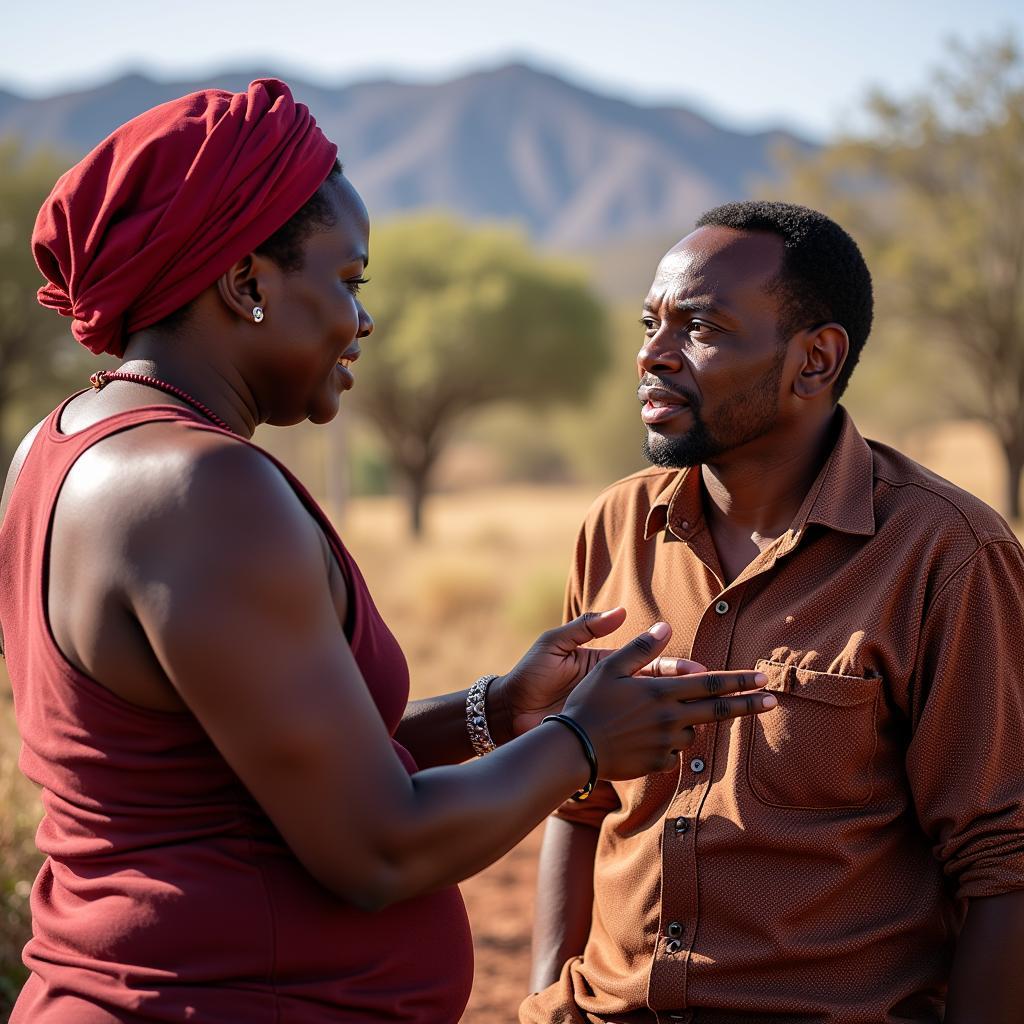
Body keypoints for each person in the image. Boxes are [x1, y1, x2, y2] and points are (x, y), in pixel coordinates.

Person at [0, 81, 779, 1023]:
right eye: (349, 281)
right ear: (248, 283)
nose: (362, 321)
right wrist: (584, 743)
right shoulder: (202, 489)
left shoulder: (65, 446)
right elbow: (379, 850)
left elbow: (250, 776)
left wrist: (496, 711)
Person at [522, 201, 1024, 1024]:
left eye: (700, 328)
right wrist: (546, 997)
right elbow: (577, 803)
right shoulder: (616, 528)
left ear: (815, 361)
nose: (653, 356)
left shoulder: (947, 554)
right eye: (650, 324)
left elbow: (1003, 862)